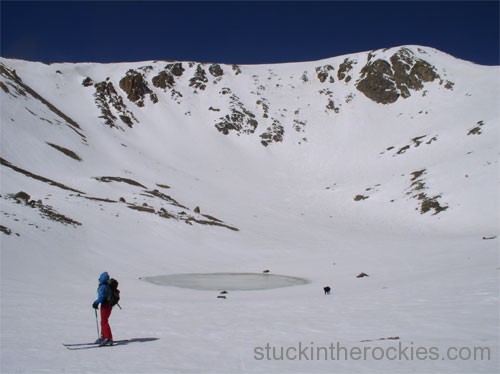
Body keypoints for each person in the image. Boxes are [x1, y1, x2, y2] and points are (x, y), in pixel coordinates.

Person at [92, 272, 114, 346]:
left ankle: (108, 338)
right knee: (104, 321)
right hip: (109, 305)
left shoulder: (103, 286)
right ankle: (104, 336)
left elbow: (101, 297)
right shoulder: (108, 286)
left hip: (105, 305)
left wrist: (96, 303)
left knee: (104, 321)